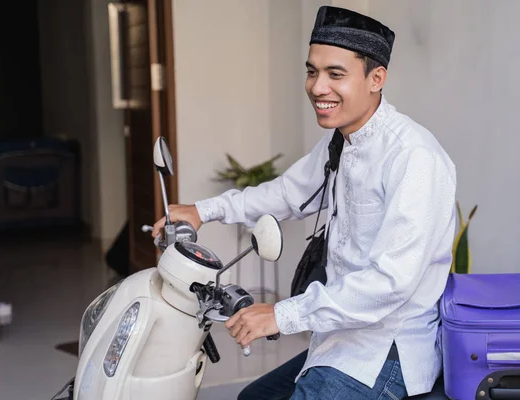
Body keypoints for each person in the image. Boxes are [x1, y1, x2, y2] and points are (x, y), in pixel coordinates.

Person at [152, 6, 456, 400]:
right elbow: (285, 194)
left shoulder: (414, 158)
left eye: (336, 74)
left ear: (376, 78)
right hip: (338, 338)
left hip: (385, 351)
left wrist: (281, 314)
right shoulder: (342, 141)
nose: (317, 87)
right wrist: (202, 210)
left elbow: (389, 283)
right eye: (312, 71)